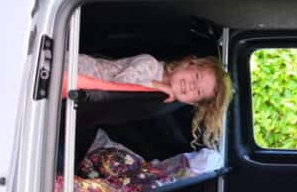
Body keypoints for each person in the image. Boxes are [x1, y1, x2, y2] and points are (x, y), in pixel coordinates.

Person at [76, 53, 232, 149]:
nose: (191, 85)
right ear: (189, 64)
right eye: (197, 76)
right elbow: (118, 87)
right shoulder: (150, 64)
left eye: (198, 91)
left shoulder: (163, 102)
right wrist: (154, 85)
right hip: (76, 70)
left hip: (83, 97)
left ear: (193, 103)